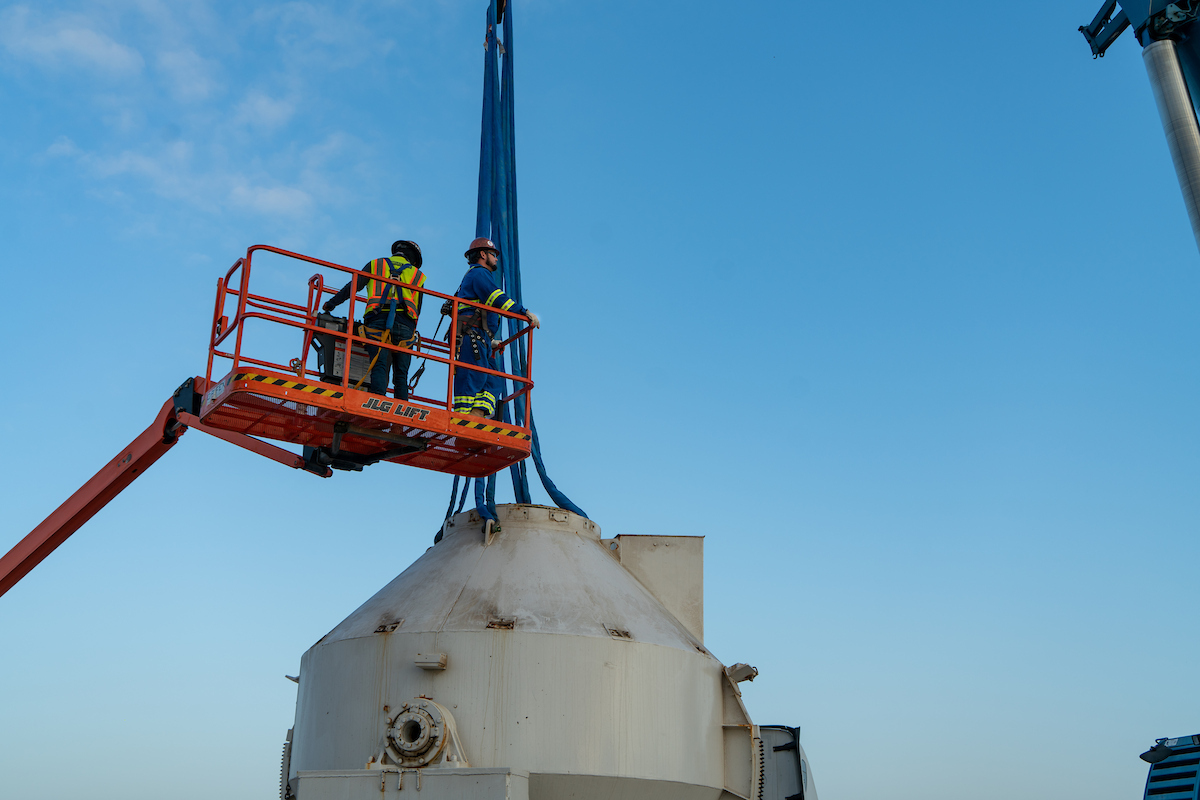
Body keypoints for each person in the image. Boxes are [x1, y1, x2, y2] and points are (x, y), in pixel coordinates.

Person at [323, 240, 425, 399]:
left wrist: (331, 304)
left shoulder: (376, 264)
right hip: (405, 327)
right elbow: (417, 308)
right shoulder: (417, 275)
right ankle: (399, 420)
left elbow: (353, 286)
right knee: (401, 375)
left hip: (377, 321)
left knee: (379, 366)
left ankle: (377, 406)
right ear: (414, 260)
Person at [452, 237, 539, 417]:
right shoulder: (479, 273)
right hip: (472, 336)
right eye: (494, 254)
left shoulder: (478, 275)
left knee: (493, 381)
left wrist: (489, 339)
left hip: (479, 337)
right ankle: (462, 421)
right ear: (483, 254)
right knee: (471, 379)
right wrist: (524, 312)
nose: (497, 259)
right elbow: (497, 299)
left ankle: (476, 417)